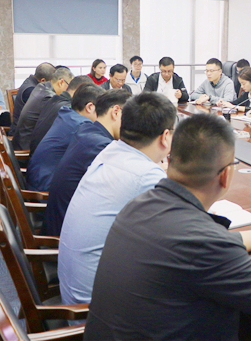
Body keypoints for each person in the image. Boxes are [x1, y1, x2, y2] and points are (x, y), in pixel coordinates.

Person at [83, 113, 251, 340]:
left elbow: (213, 245)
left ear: (170, 161)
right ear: (225, 175)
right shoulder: (204, 242)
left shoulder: (139, 205)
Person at [59, 92, 175, 305]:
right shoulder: (147, 175)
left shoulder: (111, 150)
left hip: (74, 292)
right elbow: (186, 241)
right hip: (94, 310)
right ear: (165, 136)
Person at [42, 89, 132, 236]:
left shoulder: (88, 130)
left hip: (64, 223)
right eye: (130, 117)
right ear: (116, 112)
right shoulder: (101, 146)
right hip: (66, 235)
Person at [26, 84, 104, 192]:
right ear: (90, 107)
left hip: (37, 181)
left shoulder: (68, 115)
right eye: (102, 110)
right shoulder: (82, 125)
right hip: (45, 188)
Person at [12, 66, 74, 151]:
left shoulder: (41, 86)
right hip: (26, 148)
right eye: (69, 86)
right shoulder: (49, 97)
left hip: (23, 141)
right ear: (61, 82)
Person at [29, 75, 93, 156]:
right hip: (47, 158)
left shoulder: (54, 100)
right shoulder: (67, 110)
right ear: (80, 91)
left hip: (36, 155)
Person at [9, 62, 56, 136]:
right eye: (52, 81)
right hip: (23, 135)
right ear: (43, 81)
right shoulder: (31, 91)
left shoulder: (30, 82)